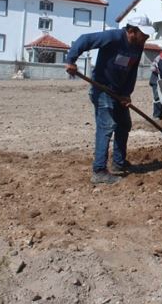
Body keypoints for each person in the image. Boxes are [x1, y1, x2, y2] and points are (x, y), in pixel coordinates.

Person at [64, 15, 154, 185]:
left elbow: (132, 70)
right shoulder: (113, 37)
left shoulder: (138, 45)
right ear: (132, 31)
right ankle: (99, 171)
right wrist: (71, 60)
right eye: (144, 34)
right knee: (107, 126)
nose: (147, 37)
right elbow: (85, 40)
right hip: (102, 88)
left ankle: (119, 163)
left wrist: (127, 93)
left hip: (119, 92)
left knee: (124, 124)